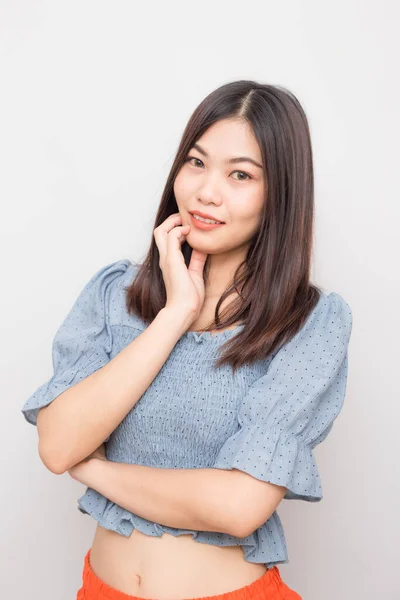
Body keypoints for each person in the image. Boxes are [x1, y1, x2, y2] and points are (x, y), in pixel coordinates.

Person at [21, 80, 353, 600]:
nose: (206, 191)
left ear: (280, 192)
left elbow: (239, 507)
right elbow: (59, 444)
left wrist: (97, 471)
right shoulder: (114, 294)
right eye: (196, 163)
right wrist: (174, 315)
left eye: (240, 174)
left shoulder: (308, 321)